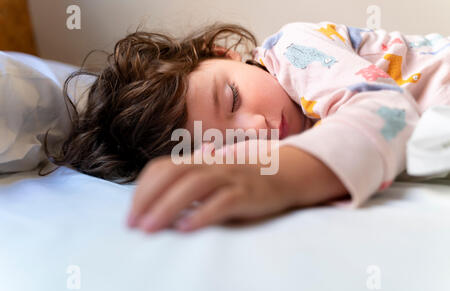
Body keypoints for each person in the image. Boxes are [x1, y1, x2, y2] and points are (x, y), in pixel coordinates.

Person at [44, 21, 450, 233]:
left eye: (233, 99)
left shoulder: (291, 49)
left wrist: (284, 176)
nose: (258, 131)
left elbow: (388, 112)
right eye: (229, 146)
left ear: (228, 54)